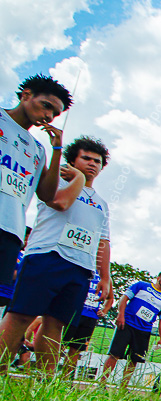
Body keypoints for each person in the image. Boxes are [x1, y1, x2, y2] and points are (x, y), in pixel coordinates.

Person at [0, 135, 112, 374]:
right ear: (73, 160)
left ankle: (46, 380)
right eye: (86, 158)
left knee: (56, 324)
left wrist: (105, 277)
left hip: (80, 267)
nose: (93, 164)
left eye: (98, 161)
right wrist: (78, 178)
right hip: (47, 256)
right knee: (20, 316)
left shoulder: (102, 204)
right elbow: (60, 203)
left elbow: (103, 240)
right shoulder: (58, 181)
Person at [1, 75, 69, 302]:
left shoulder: (37, 149)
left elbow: (47, 195)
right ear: (26, 95)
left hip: (11, 231)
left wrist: (57, 150)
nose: (49, 116)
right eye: (46, 106)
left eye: (55, 113)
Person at [100, 271, 161, 386]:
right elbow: (124, 299)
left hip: (144, 330)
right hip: (127, 324)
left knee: (134, 360)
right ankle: (102, 383)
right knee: (115, 354)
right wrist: (120, 315)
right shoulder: (142, 285)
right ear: (158, 278)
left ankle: (123, 387)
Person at [62, 271, 116, 378]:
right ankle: (48, 375)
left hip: (90, 318)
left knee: (76, 348)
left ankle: (65, 379)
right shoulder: (84, 269)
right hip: (73, 313)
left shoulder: (106, 277)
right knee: (60, 344)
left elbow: (110, 298)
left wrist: (104, 310)